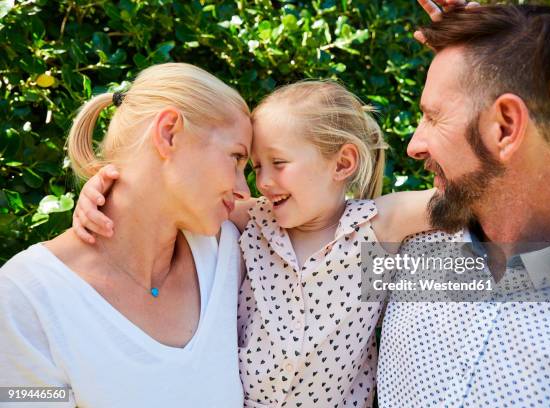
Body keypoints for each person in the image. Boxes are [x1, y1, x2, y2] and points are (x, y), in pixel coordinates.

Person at [71, 79, 438, 407]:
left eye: (278, 162)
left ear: (342, 164)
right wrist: (105, 191)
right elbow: (162, 199)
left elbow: (466, 197)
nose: (262, 182)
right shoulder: (256, 221)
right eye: (256, 166)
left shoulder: (377, 224)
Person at [377, 3, 550, 407]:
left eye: (433, 117)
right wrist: (487, 46)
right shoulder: (406, 246)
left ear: (505, 127)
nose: (414, 145)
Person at [0, 62, 252, 407]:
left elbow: (348, 227)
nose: (243, 189)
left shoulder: (228, 249)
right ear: (169, 133)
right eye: (236, 158)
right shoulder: (25, 297)